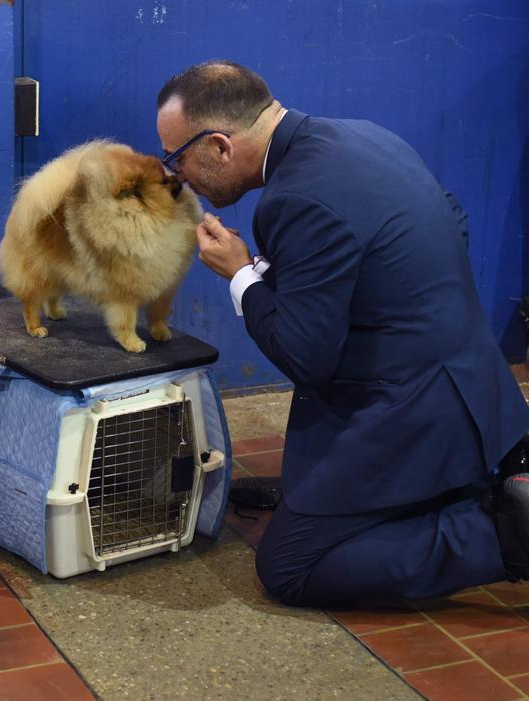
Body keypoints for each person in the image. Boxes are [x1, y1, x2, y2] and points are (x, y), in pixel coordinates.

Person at [156, 59, 529, 607]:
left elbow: (306, 358)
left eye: (177, 157)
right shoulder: (364, 136)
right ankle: (464, 490)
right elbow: (453, 219)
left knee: (290, 565)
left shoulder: (294, 199)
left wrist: (240, 275)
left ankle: (505, 535)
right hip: (473, 382)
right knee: (315, 481)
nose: (177, 175)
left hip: (416, 410)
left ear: (219, 145)